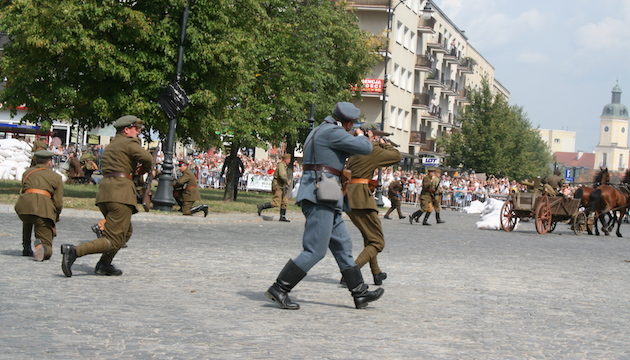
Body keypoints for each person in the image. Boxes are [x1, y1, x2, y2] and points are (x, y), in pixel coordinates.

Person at [264, 102, 384, 310]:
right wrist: (365, 135)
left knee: (343, 246)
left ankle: (359, 292)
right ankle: (279, 288)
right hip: (321, 195)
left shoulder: (322, 129)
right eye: (353, 124)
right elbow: (365, 148)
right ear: (347, 122)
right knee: (315, 250)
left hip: (327, 194)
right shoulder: (332, 132)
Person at [60, 115, 153, 277]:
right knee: (115, 238)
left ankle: (104, 264)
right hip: (121, 193)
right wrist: (144, 169)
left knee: (125, 232)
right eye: (136, 129)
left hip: (105, 192)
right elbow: (148, 158)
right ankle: (74, 251)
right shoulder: (129, 142)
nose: (138, 132)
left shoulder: (112, 145)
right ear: (126, 130)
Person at [345, 131, 401, 285]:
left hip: (350, 197)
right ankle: (351, 273)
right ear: (372, 136)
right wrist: (385, 144)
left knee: (369, 238)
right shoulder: (371, 149)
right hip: (362, 199)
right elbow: (396, 156)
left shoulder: (357, 148)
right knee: (377, 242)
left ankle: (376, 272)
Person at [14, 150, 64, 261]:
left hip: (23, 207)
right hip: (42, 210)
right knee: (46, 241)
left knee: (28, 218)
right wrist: (55, 216)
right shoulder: (56, 177)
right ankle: (43, 248)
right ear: (50, 162)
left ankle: (26, 246)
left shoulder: (27, 173)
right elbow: (58, 202)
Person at [257, 154, 292, 222]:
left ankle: (282, 217)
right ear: (285, 159)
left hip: (282, 185)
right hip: (278, 185)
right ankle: (261, 206)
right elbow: (282, 175)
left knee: (284, 201)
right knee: (276, 202)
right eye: (289, 159)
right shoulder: (281, 165)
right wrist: (287, 181)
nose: (289, 161)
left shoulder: (284, 165)